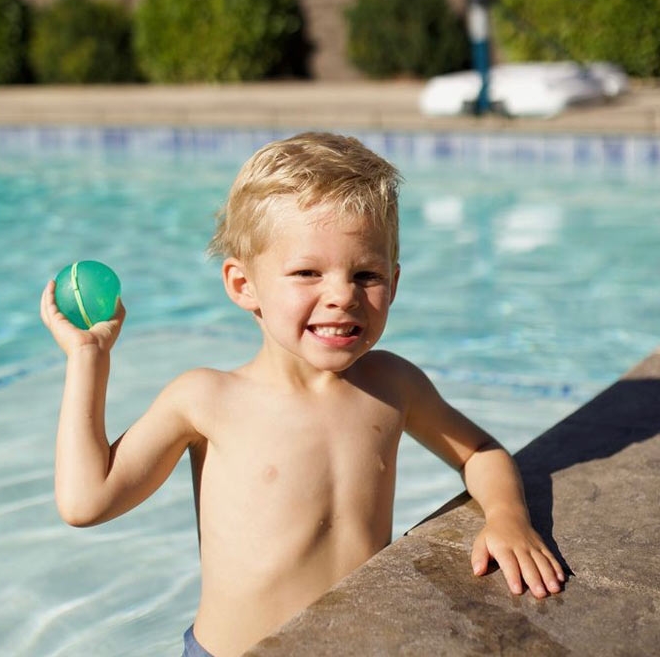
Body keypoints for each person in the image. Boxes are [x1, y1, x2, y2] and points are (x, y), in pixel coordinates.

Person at [40, 131, 565, 657]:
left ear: (396, 283)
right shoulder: (206, 400)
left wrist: (506, 517)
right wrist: (89, 359)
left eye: (366, 274)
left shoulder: (392, 385)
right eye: (307, 273)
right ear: (244, 286)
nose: (342, 295)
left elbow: (479, 452)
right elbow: (87, 501)